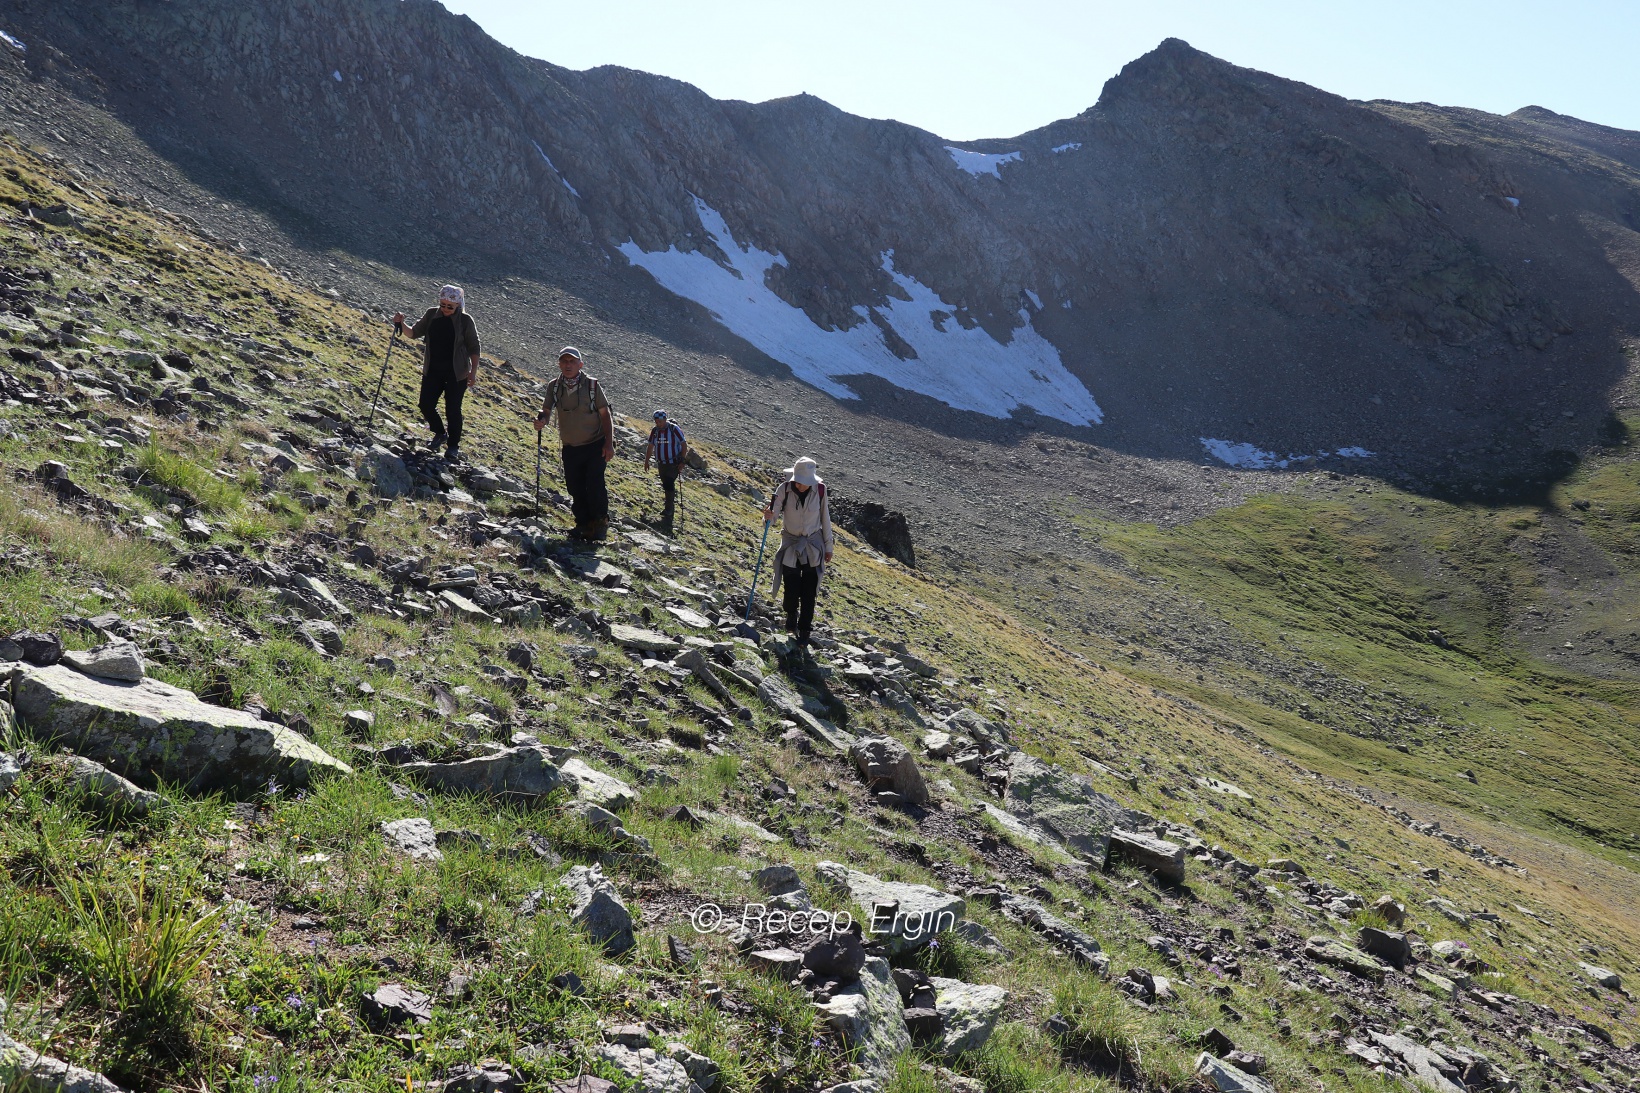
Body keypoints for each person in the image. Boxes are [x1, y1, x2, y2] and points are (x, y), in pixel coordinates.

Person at [534, 346, 614, 541]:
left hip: (595, 444)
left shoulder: (592, 386)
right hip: (570, 446)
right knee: (575, 487)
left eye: (572, 361)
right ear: (559, 364)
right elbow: (546, 409)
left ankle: (600, 524)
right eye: (564, 361)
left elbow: (605, 415)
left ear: (580, 364)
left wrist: (609, 443)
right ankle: (584, 524)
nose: (568, 365)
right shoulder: (554, 386)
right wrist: (542, 420)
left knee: (594, 484)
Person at [393, 285, 480, 462]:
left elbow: (474, 347)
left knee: (453, 409)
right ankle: (440, 433)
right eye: (443, 305)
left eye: (450, 306)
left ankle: (453, 446)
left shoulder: (465, 320)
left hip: (457, 374)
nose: (446, 309)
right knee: (425, 404)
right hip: (432, 370)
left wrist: (473, 372)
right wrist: (401, 323)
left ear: (458, 305)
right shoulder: (431, 314)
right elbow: (413, 333)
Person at [761, 456, 833, 645]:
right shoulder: (783, 489)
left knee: (809, 591)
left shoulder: (820, 490)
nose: (801, 486)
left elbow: (825, 519)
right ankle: (791, 614)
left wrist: (829, 547)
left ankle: (805, 630)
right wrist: (768, 517)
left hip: (813, 545)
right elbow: (773, 515)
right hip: (790, 544)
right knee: (791, 588)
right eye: (799, 482)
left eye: (805, 482)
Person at [642, 410, 689, 528]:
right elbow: (651, 446)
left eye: (661, 421)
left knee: (668, 482)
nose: (659, 423)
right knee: (665, 483)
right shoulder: (655, 431)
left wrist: (682, 460)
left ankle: (669, 510)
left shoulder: (674, 429)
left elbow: (683, 444)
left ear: (665, 419)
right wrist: (646, 461)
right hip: (661, 463)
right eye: (656, 421)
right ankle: (669, 507)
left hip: (673, 463)